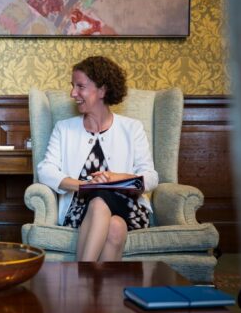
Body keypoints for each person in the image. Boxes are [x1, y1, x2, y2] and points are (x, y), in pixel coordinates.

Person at [37, 56, 158, 262]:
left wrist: (114, 178)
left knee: (101, 200)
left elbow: (151, 177)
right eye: (72, 86)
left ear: (102, 90)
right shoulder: (64, 129)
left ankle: (78, 279)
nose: (73, 93)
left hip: (128, 206)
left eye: (80, 86)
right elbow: (45, 170)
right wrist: (84, 186)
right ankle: (99, 293)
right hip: (80, 208)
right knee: (115, 227)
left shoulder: (132, 128)